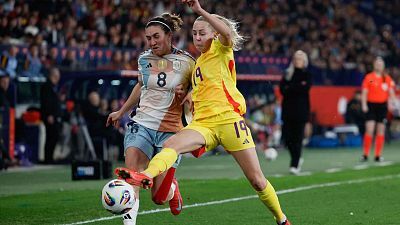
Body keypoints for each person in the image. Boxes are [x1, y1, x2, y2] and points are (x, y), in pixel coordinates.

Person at [115, 1, 290, 224]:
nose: (197, 38)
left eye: (202, 33)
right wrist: (186, 93)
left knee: (256, 180)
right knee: (171, 146)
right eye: (195, 34)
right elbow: (195, 91)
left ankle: (282, 218)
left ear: (214, 34)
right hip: (204, 125)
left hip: (229, 121)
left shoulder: (221, 49)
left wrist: (199, 11)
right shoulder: (196, 64)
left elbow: (227, 33)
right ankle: (145, 176)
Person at [106, 13, 195, 225]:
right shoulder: (144, 59)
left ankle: (172, 189)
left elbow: (197, 92)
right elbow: (141, 86)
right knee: (131, 176)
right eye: (148, 38)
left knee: (158, 197)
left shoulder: (188, 62)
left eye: (156, 36)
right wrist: (121, 111)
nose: (152, 42)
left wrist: (188, 95)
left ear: (169, 36)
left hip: (171, 132)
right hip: (141, 124)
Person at [279, 50, 312, 175]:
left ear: (304, 61)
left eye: (300, 58)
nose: (297, 60)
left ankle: (295, 163)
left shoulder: (307, 74)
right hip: (287, 110)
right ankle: (297, 158)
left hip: (301, 111)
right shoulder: (287, 73)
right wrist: (296, 87)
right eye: (296, 58)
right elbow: (283, 90)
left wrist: (291, 87)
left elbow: (305, 88)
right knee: (288, 139)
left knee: (297, 138)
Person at [361, 57, 396, 162]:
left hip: (382, 106)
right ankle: (365, 154)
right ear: (374, 65)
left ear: (383, 66)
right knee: (369, 130)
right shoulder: (370, 77)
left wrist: (394, 103)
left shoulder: (387, 78)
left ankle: (377, 155)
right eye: (377, 63)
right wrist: (364, 104)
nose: (379, 66)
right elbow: (365, 92)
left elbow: (391, 92)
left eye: (381, 64)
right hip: (371, 105)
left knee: (381, 130)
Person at [40, 67, 62, 164]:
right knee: (51, 137)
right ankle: (48, 159)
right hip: (50, 117)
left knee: (53, 137)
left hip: (53, 116)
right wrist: (49, 115)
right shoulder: (47, 87)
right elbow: (46, 102)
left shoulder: (53, 86)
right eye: (57, 76)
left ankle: (49, 158)